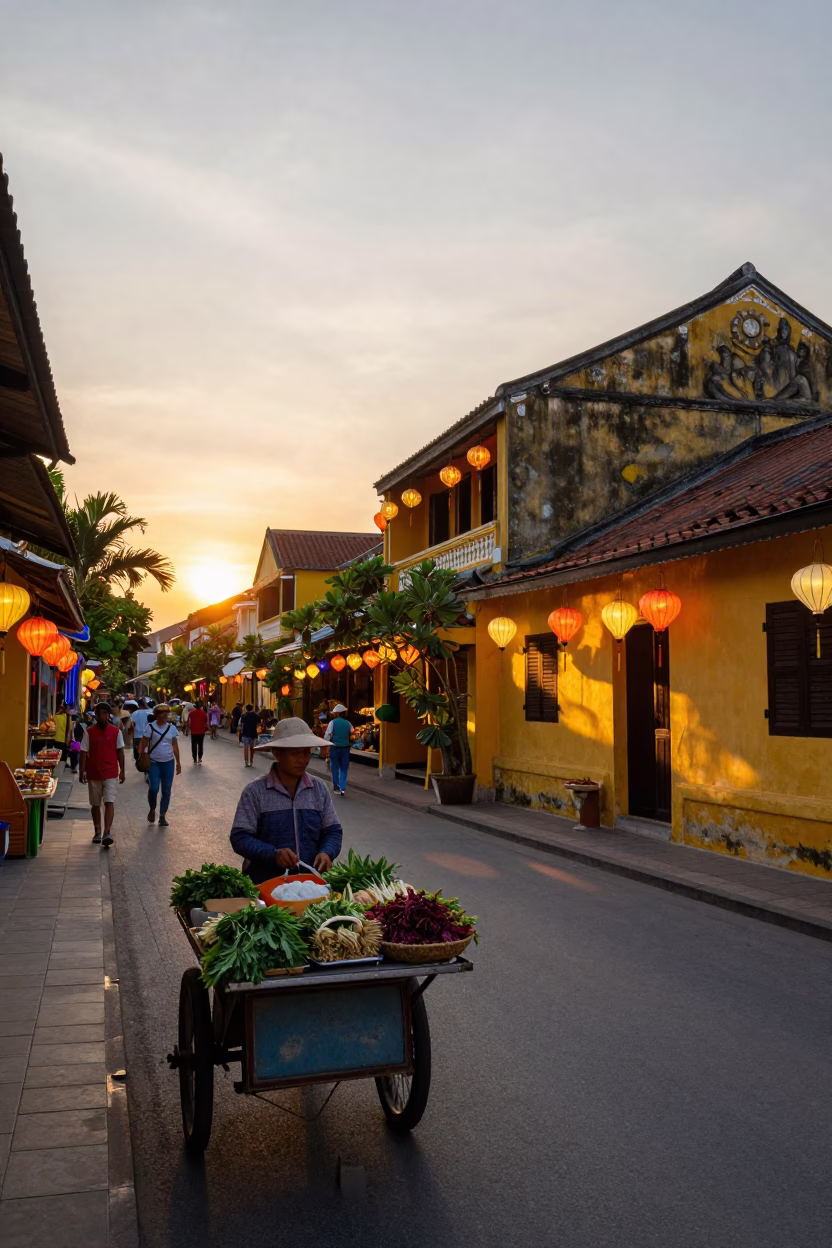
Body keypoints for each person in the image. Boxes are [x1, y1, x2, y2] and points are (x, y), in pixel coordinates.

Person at [229, 717, 343, 884]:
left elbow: (333, 831)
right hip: (265, 886)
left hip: (310, 885)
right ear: (277, 754)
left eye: (306, 752)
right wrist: (273, 853)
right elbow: (240, 838)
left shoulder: (318, 789)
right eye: (295, 754)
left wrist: (327, 852)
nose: (303, 760)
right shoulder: (255, 792)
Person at [79, 701, 125, 848]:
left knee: (109, 801)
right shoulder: (89, 731)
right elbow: (83, 752)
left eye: (106, 713)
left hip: (111, 772)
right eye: (101, 714)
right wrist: (82, 771)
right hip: (93, 773)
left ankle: (107, 831)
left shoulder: (115, 731)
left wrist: (122, 771)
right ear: (96, 715)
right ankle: (97, 830)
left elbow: (120, 752)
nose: (104, 716)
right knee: (95, 804)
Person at [137, 703, 182, 827]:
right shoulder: (150, 727)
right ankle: (152, 808)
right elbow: (143, 743)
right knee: (154, 788)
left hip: (168, 762)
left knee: (166, 790)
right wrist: (142, 757)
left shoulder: (171, 728)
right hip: (153, 762)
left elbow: (175, 746)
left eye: (166, 712)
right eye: (162, 712)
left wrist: (178, 762)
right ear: (156, 715)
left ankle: (162, 815)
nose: (165, 715)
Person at [324, 703, 353, 795]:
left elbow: (327, 735)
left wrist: (326, 745)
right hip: (345, 749)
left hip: (335, 748)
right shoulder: (348, 723)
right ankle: (343, 787)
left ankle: (336, 787)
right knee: (344, 768)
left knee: (335, 768)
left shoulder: (332, 723)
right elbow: (353, 732)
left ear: (337, 714)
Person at [131, 699, 152, 764]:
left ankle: (139, 762)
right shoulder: (151, 712)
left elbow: (132, 725)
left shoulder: (134, 713)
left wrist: (132, 735)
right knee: (148, 749)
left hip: (137, 735)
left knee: (137, 750)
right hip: (147, 735)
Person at [188, 700, 209, 765]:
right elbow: (206, 722)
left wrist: (189, 728)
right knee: (200, 745)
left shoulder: (191, 713)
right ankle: (200, 758)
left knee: (194, 745)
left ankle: (194, 759)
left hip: (193, 732)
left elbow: (188, 721)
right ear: (200, 706)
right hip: (201, 732)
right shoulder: (203, 713)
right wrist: (207, 728)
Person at [239, 703, 260, 768]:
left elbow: (241, 725)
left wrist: (241, 733)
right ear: (252, 709)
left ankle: (246, 761)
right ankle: (251, 761)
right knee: (252, 748)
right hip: (253, 733)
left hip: (245, 733)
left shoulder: (243, 715)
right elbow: (258, 723)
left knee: (245, 748)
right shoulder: (256, 716)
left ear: (246, 709)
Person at [53, 701, 72, 765]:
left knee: (57, 758)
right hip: (63, 741)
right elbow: (70, 730)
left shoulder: (55, 716)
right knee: (62, 759)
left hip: (56, 740)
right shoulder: (68, 717)